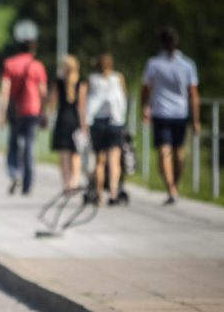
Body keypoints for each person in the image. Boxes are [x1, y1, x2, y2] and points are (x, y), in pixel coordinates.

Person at [141, 27, 200, 205]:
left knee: (165, 153)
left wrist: (144, 107)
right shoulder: (187, 65)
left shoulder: (154, 63)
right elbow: (193, 94)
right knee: (178, 153)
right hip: (179, 113)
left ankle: (171, 187)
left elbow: (146, 88)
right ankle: (173, 186)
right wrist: (196, 120)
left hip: (161, 112)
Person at [0, 20, 48, 196]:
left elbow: (5, 91)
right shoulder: (38, 66)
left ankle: (14, 172)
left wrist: (1, 113)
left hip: (15, 109)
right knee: (29, 145)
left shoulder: (10, 64)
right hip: (33, 110)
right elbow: (43, 93)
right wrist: (45, 114)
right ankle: (28, 183)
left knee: (13, 143)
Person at [85, 54, 128, 205]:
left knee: (99, 161)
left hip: (98, 122)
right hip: (115, 122)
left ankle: (98, 195)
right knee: (114, 160)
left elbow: (88, 100)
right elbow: (124, 97)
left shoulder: (92, 79)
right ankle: (113, 193)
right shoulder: (118, 78)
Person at [47, 54, 85, 191]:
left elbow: (52, 102)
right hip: (75, 121)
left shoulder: (58, 83)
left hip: (62, 120)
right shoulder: (80, 83)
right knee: (75, 154)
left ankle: (66, 183)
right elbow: (81, 107)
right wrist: (84, 126)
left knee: (63, 155)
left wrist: (47, 115)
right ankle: (74, 182)